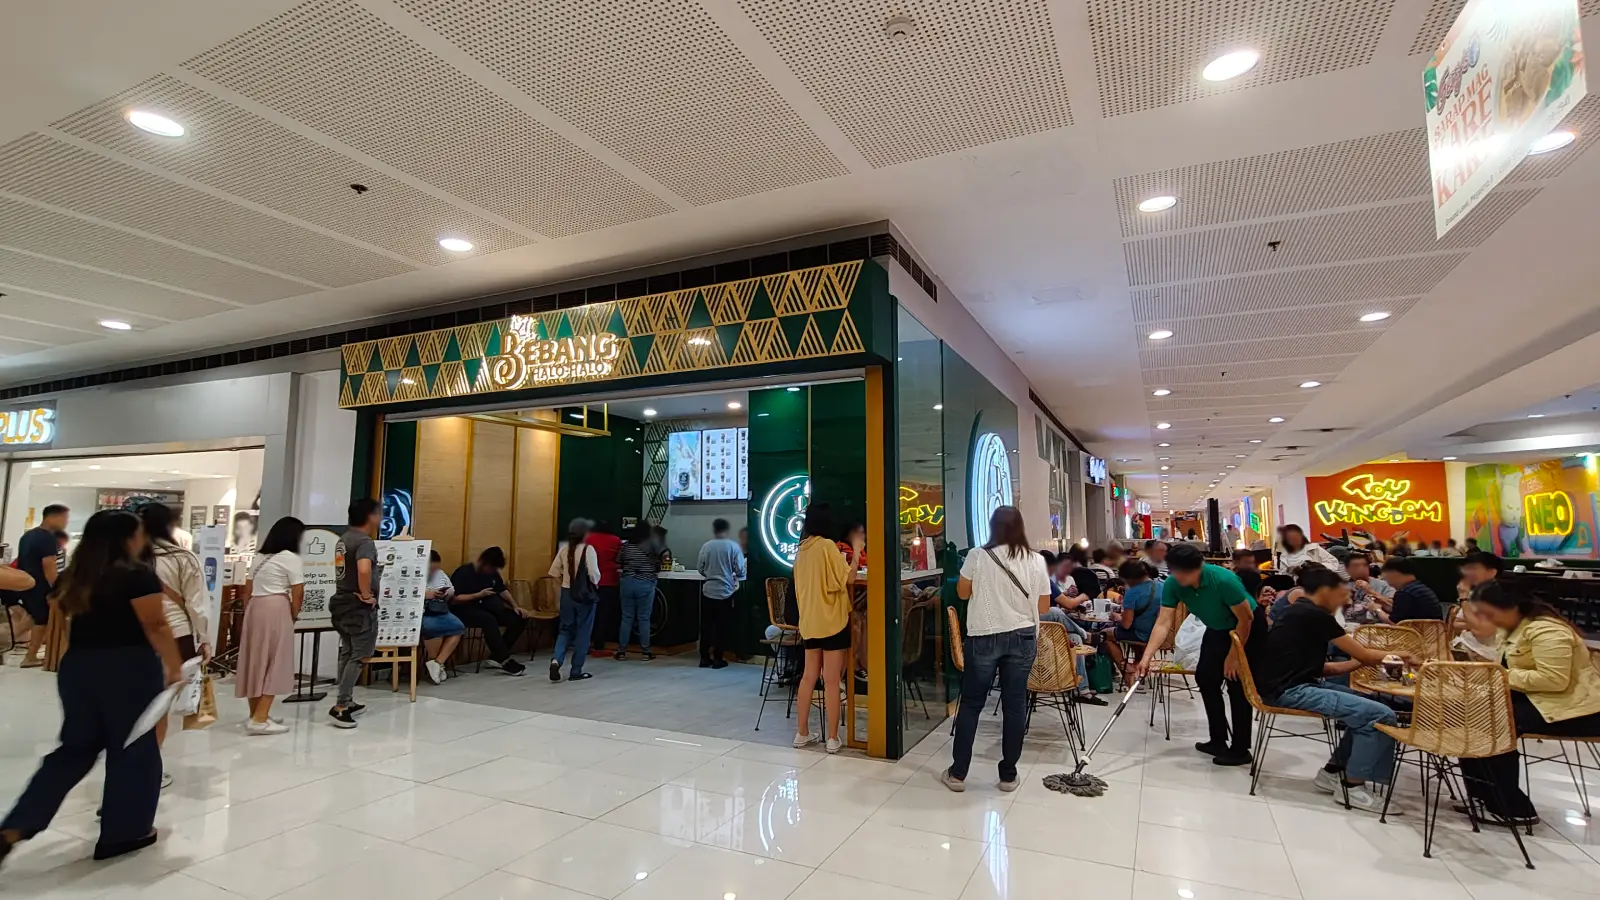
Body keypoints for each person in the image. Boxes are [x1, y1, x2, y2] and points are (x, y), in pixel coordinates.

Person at [0, 510, 180, 866]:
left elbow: (66, 625)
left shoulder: (73, 577)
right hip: (128, 666)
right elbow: (156, 624)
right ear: (127, 537)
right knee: (133, 749)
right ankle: (125, 831)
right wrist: (174, 666)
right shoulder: (136, 576)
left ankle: (15, 827)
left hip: (80, 666)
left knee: (74, 749)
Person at [1255, 566, 1415, 812]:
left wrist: (1359, 661)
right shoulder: (1314, 615)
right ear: (1325, 591)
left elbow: (1320, 666)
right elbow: (1364, 654)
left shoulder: (1297, 612)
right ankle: (1353, 788)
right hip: (1289, 691)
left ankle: (1334, 771)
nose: (1347, 599)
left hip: (1289, 684)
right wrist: (1404, 655)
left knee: (1374, 709)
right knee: (1380, 715)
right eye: (1342, 594)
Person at [1457, 582, 1600, 825]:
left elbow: (1554, 680)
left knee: (1494, 720)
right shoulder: (1514, 628)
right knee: (1472, 708)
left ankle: (1511, 805)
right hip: (1541, 700)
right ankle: (1482, 793)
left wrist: (1499, 674)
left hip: (1575, 710)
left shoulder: (1548, 631)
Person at [942, 507, 1049, 792]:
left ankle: (958, 773)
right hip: (1023, 636)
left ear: (992, 527)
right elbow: (1043, 607)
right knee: (1015, 705)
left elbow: (963, 594)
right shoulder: (1036, 560)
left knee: (972, 703)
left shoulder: (977, 555)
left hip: (985, 636)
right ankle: (1008, 775)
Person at [1133, 543, 1265, 767]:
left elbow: (1247, 619)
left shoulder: (1222, 580)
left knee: (1236, 684)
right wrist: (1146, 657)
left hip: (1247, 629)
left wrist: (1233, 656)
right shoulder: (1173, 584)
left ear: (1199, 567)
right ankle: (1217, 739)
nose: (1181, 577)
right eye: (1177, 572)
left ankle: (1241, 748)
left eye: (1187, 572)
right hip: (1216, 628)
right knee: (1205, 677)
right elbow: (1163, 622)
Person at [141, 504, 209, 768]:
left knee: (132, 702)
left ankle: (129, 764)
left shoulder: (125, 557)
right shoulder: (182, 558)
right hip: (175, 635)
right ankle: (149, 766)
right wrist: (204, 638)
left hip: (129, 636)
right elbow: (197, 602)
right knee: (159, 704)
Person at [792, 503, 859, 752]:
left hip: (809, 621)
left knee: (809, 676)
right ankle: (832, 738)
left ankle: (802, 733)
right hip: (832, 620)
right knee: (831, 681)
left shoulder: (802, 550)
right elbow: (847, 578)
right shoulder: (827, 546)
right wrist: (857, 551)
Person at [237, 517, 305, 735]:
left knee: (255, 661)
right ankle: (260, 719)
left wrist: (250, 612)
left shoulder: (259, 557)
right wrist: (294, 614)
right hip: (276, 607)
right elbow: (298, 592)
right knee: (276, 661)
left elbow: (247, 589)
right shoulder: (290, 558)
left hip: (255, 607)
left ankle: (256, 713)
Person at [329, 499, 382, 729]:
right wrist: (367, 593)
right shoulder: (364, 542)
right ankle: (341, 705)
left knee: (348, 651)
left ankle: (346, 699)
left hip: (341, 602)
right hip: (358, 607)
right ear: (370, 516)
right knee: (360, 655)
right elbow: (363, 568)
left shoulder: (344, 539)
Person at [450, 547, 529, 676]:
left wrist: (516, 606)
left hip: (489, 608)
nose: (492, 571)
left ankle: (496, 656)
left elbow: (502, 590)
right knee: (488, 619)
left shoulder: (492, 574)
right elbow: (455, 599)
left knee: (519, 618)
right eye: (491, 568)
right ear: (483, 562)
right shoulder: (463, 572)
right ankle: (504, 659)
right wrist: (479, 595)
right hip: (465, 610)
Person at [11, 504, 67, 669]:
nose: (65, 522)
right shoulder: (48, 538)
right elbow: (49, 567)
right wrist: (58, 588)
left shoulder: (28, 535)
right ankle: (30, 657)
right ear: (53, 517)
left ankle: (5, 642)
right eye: (64, 518)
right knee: (41, 621)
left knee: (31, 619)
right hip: (40, 586)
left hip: (25, 583)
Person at [550, 519, 602, 682]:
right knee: (583, 632)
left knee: (565, 630)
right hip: (584, 596)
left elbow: (553, 572)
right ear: (585, 533)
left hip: (566, 594)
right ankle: (576, 671)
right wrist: (595, 585)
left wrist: (564, 585)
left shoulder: (564, 549)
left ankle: (556, 660)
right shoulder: (589, 549)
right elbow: (594, 574)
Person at [696, 518, 745, 669]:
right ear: (727, 529)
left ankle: (704, 658)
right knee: (721, 627)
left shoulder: (707, 546)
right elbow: (740, 569)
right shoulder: (733, 546)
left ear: (714, 529)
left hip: (708, 590)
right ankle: (718, 659)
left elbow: (700, 568)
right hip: (725, 592)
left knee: (706, 626)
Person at [617, 523, 666, 660]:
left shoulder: (626, 546)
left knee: (627, 618)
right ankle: (645, 652)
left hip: (627, 582)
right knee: (644, 618)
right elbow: (663, 558)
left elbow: (619, 560)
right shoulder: (651, 545)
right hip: (645, 583)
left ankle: (621, 651)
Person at [1103, 560, 1160, 678]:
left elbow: (1126, 625)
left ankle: (1125, 669)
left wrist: (1117, 617)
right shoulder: (1161, 586)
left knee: (1105, 634)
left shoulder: (1132, 592)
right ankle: (1138, 666)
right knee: (1133, 639)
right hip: (1160, 636)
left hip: (1142, 634)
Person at [421, 551, 465, 685]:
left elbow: (452, 590)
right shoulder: (415, 572)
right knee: (432, 627)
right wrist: (427, 593)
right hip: (423, 611)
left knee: (458, 627)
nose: (434, 570)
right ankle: (435, 664)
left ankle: (438, 662)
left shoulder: (440, 574)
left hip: (441, 609)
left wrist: (445, 593)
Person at [585, 521, 622, 654]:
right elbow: (619, 559)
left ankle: (585, 642)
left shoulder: (589, 538)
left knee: (589, 613)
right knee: (603, 614)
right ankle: (599, 644)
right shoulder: (615, 540)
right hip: (609, 580)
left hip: (590, 580)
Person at [1379, 557, 1444, 621]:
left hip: (1415, 631)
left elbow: (1395, 623)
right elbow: (1405, 613)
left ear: (1394, 573)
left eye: (1387, 579)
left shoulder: (1404, 593)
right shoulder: (1420, 588)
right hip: (1431, 630)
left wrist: (1376, 610)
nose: (1389, 584)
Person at [1344, 554, 1393, 625]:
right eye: (1356, 566)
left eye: (1365, 565)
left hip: (1378, 627)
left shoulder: (1383, 584)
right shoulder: (1343, 587)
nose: (1361, 568)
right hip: (1349, 626)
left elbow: (1393, 607)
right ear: (1347, 569)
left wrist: (1371, 591)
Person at [1278, 524, 1344, 575]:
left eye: (1296, 537)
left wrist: (1313, 566)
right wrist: (1289, 571)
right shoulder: (1284, 556)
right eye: (1291, 539)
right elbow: (1282, 575)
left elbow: (1333, 563)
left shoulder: (1314, 549)